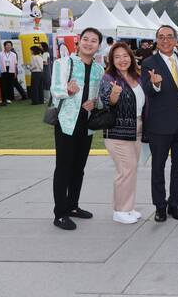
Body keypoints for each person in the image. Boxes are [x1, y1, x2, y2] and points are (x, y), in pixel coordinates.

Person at [50, 27, 104, 230]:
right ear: (78, 41)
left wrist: (95, 102)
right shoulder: (63, 63)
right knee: (63, 167)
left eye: (94, 41)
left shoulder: (99, 69)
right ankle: (60, 213)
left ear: (98, 45)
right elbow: (55, 90)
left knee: (78, 168)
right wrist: (67, 90)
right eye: (86, 39)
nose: (89, 43)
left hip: (87, 124)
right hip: (66, 123)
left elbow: (100, 98)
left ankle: (73, 205)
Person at [141, 25, 178, 222]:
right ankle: (160, 207)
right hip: (160, 125)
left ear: (176, 40)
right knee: (158, 168)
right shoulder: (148, 62)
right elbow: (148, 90)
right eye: (161, 37)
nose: (165, 40)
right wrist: (155, 83)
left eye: (169, 37)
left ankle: (174, 204)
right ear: (156, 40)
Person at [100, 42, 146, 224]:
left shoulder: (137, 76)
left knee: (131, 169)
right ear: (111, 60)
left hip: (138, 128)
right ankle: (120, 210)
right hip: (118, 132)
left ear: (131, 57)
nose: (122, 60)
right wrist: (114, 95)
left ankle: (128, 207)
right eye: (117, 57)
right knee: (126, 170)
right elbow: (106, 102)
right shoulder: (109, 78)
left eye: (125, 56)